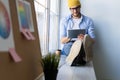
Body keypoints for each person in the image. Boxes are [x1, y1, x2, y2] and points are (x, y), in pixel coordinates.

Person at [59, 0, 95, 66]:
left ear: (80, 7)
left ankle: (74, 59)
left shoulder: (88, 21)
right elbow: (62, 41)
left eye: (77, 8)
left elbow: (93, 41)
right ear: (69, 9)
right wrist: (69, 37)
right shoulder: (64, 21)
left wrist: (85, 38)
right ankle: (78, 59)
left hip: (82, 44)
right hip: (70, 44)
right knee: (69, 47)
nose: (75, 11)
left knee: (81, 44)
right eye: (72, 9)